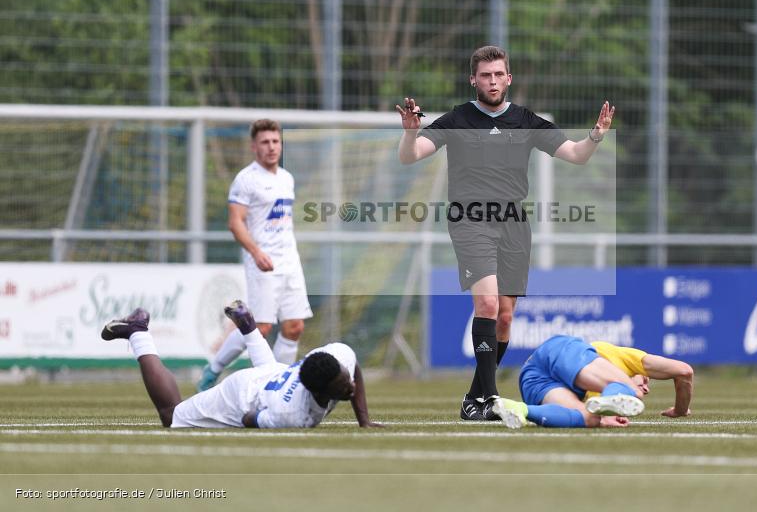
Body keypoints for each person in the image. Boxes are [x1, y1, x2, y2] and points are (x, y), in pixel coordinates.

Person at [396, 45, 616, 420]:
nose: (492, 81)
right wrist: (410, 133)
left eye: (498, 74)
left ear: (508, 78)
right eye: (485, 75)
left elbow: (576, 155)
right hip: (470, 219)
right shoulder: (458, 119)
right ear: (473, 80)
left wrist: (595, 135)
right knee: (487, 305)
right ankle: (492, 401)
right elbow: (410, 155)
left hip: (514, 222)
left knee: (505, 317)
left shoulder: (526, 120)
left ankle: (474, 399)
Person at [102, 302, 380, 429]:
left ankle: (248, 328)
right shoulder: (293, 415)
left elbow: (353, 369)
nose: (351, 386)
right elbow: (249, 419)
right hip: (243, 394)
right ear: (322, 392)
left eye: (346, 379)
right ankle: (138, 332)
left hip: (275, 375)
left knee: (271, 370)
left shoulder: (336, 359)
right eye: (343, 387)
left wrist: (363, 420)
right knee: (171, 416)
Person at [197, 119, 313, 391]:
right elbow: (235, 222)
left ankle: (281, 383)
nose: (271, 147)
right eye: (265, 142)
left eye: (275, 141)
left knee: (294, 326)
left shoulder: (286, 178)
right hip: (261, 261)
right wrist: (256, 252)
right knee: (260, 328)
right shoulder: (246, 180)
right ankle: (214, 368)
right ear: (254, 147)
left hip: (289, 262)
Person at [491, 334, 694, 429]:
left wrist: (605, 419)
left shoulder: (598, 391)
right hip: (559, 352)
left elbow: (592, 408)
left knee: (589, 419)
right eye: (646, 379)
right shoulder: (624, 357)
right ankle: (615, 396)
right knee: (634, 392)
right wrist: (680, 410)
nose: (647, 387)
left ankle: (518, 409)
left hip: (534, 379)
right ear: (638, 370)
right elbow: (684, 371)